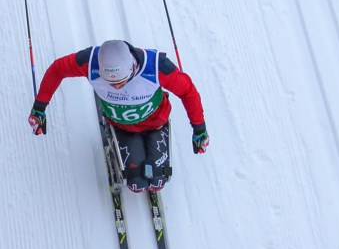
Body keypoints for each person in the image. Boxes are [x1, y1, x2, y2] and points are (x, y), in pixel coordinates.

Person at [28, 40, 208, 192]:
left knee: (158, 182)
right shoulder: (90, 63)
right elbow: (57, 69)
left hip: (156, 123)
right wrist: (39, 107)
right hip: (122, 127)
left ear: (132, 68)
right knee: (136, 184)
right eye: (110, 83)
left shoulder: (156, 67)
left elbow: (188, 92)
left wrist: (199, 129)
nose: (116, 87)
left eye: (121, 82)